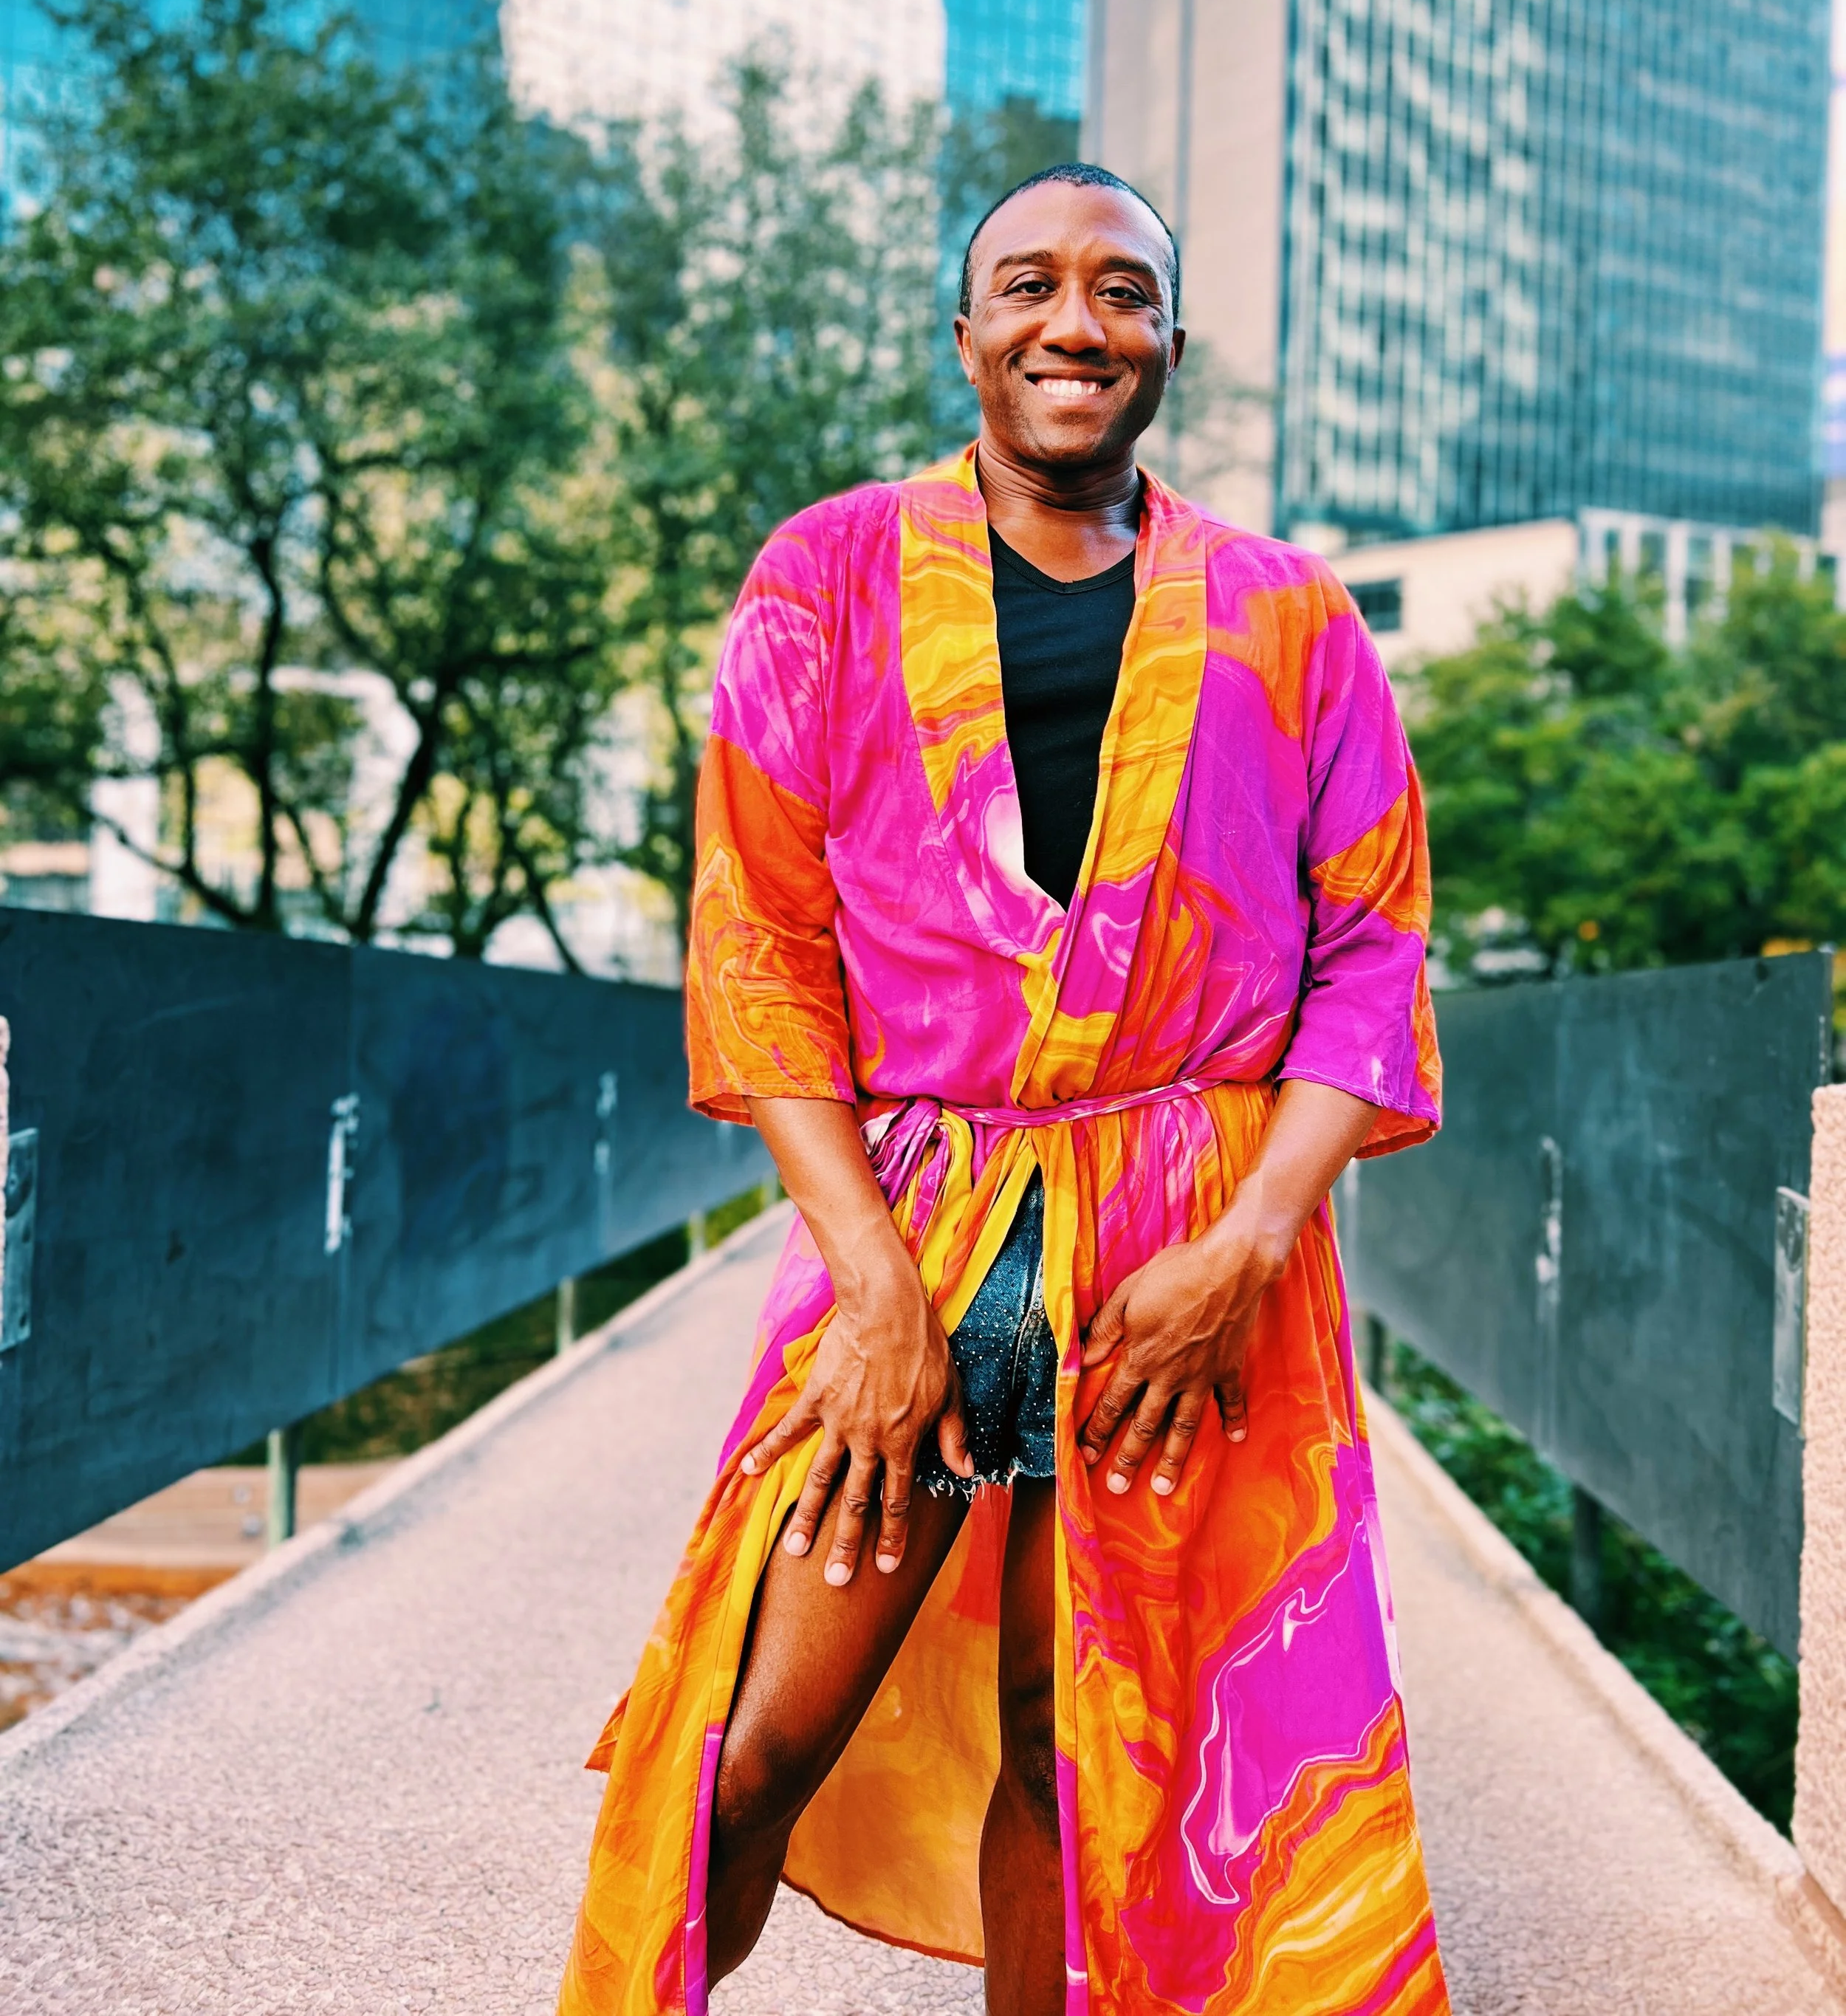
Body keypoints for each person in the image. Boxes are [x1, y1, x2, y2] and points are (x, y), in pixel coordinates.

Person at [558, 165, 1449, 2016]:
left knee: (1078, 1731)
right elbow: (759, 940)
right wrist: (871, 1286)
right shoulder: (825, 572)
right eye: (1028, 285)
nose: (1075, 322)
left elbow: (1368, 952)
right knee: (749, 1729)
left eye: (1121, 292)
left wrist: (1251, 1246)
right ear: (961, 333)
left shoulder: (1291, 620)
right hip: (921, 1217)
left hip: (1186, 1246)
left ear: (1168, 347)